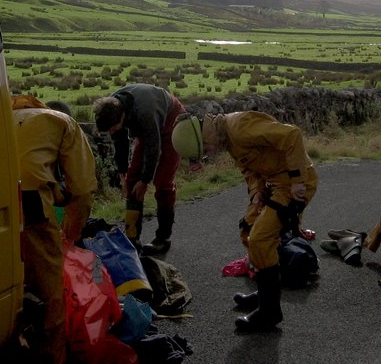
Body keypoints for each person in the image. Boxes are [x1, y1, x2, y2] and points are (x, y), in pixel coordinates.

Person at [172, 110, 318, 332]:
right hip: (272, 184)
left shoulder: (240, 129)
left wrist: (298, 180)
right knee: (248, 230)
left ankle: (270, 313)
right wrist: (256, 194)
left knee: (261, 238)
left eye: (205, 151)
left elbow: (292, 135)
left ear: (204, 138)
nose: (209, 156)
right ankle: (265, 291)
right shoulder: (225, 137)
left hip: (294, 185)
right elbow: (249, 170)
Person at [12, 96, 98, 364]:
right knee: (49, 295)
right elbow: (82, 188)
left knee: (7, 286)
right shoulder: (64, 122)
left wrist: (57, 194)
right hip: (29, 205)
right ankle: (51, 356)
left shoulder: (5, 114)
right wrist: (72, 233)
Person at [92, 83, 187, 255]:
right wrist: (123, 172)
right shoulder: (112, 108)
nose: (112, 131)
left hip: (172, 119)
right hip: (148, 127)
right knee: (131, 180)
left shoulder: (145, 113)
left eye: (113, 128)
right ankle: (132, 237)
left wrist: (145, 181)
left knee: (163, 181)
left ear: (122, 117)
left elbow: (153, 147)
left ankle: (163, 238)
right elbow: (119, 141)